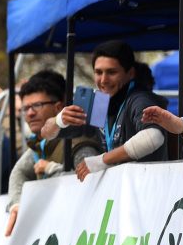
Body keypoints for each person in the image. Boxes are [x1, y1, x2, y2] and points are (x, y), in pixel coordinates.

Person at [43, 40, 167, 181]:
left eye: (111, 72)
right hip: (119, 188)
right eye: (98, 72)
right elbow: (47, 133)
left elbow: (153, 137)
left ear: (130, 73)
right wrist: (58, 120)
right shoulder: (100, 103)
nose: (103, 80)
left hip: (148, 187)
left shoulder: (139, 99)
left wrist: (102, 160)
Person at [5, 70, 102, 236]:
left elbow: (92, 184)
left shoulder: (79, 140)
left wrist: (52, 169)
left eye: (37, 105)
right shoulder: (40, 143)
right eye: (26, 108)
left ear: (58, 107)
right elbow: (18, 172)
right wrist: (16, 205)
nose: (30, 113)